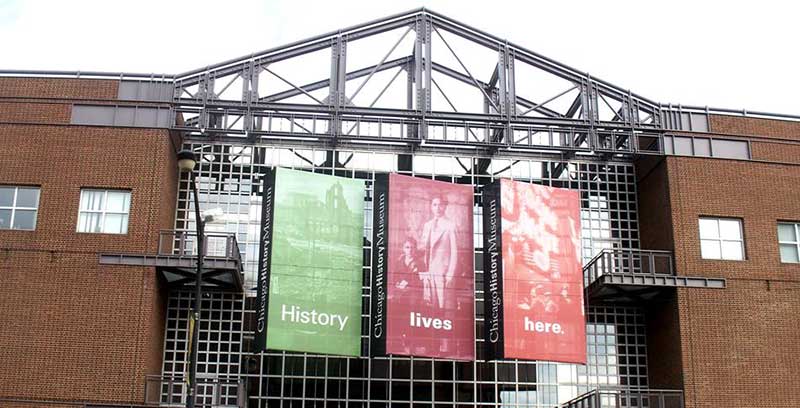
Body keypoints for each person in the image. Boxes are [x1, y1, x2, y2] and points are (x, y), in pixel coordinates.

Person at [418, 195, 457, 309]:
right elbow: (423, 247)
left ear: (445, 206)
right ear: (431, 207)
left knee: (443, 304)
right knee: (430, 304)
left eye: (440, 205)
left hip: (442, 271)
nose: (437, 208)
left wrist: (450, 273)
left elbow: (454, 252)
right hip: (428, 271)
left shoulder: (450, 225)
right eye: (434, 205)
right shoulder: (427, 225)